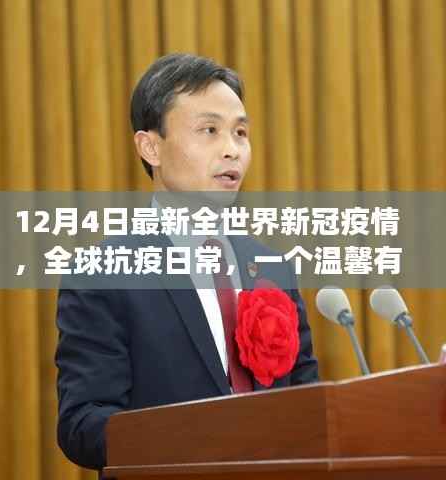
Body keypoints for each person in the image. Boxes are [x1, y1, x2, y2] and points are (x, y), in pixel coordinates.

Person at [55, 53, 319, 474]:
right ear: (151, 147)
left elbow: (308, 402)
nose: (231, 150)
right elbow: (82, 425)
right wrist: (198, 436)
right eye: (209, 130)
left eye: (240, 133)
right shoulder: (104, 272)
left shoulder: (271, 267)